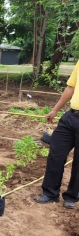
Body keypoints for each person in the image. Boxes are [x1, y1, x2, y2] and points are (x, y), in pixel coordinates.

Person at [34, 61, 79, 209]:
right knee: (56, 154)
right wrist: (55, 110)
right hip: (71, 116)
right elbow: (71, 87)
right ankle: (50, 193)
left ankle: (72, 196)